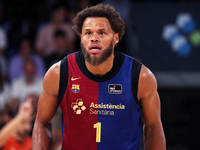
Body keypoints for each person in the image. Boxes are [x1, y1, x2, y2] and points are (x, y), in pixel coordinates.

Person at [32, 3, 166, 150]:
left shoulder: (141, 76)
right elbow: (42, 122)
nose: (94, 38)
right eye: (88, 33)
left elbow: (153, 127)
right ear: (81, 37)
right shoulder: (58, 73)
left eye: (101, 33)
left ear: (115, 38)